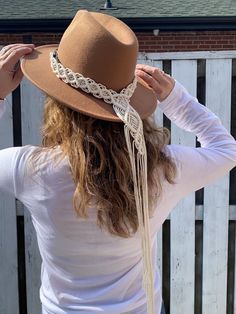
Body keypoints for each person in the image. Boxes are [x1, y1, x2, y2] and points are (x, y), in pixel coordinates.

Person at [0, 10, 236, 314]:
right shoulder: (163, 168)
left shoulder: (30, 170)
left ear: (56, 103)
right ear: (127, 101)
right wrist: (177, 99)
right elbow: (226, 150)